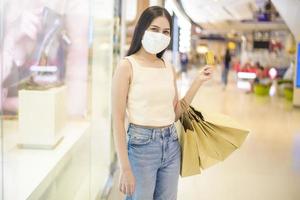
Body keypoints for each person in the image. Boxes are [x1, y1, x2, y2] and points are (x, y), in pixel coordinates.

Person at [112, 6, 213, 200]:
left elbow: (175, 112)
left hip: (171, 145)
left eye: (166, 32)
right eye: (154, 29)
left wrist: (198, 81)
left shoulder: (168, 67)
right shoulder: (127, 66)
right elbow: (117, 119)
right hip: (141, 148)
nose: (161, 35)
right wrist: (125, 167)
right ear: (142, 30)